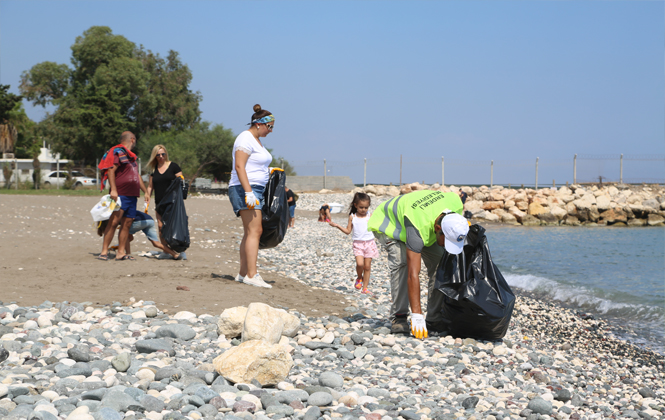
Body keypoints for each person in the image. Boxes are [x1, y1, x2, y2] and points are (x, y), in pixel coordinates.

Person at [368, 190, 469, 339]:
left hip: (423, 221)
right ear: (438, 229)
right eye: (447, 241)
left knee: (442, 264)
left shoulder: (456, 204)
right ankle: (399, 316)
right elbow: (413, 273)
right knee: (402, 263)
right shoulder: (418, 227)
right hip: (390, 224)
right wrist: (417, 314)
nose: (448, 245)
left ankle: (434, 319)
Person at [228, 104, 276, 288]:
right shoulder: (245, 138)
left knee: (250, 232)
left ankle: (242, 274)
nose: (271, 131)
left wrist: (269, 170)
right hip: (245, 188)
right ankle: (252, 274)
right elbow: (239, 166)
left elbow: (254, 164)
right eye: (269, 126)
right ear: (258, 124)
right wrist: (248, 192)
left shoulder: (256, 140)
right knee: (255, 231)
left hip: (254, 188)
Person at [98, 131, 149, 261]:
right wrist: (113, 190)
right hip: (120, 194)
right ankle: (104, 251)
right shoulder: (118, 152)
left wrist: (146, 191)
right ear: (132, 139)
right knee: (114, 222)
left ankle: (121, 252)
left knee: (127, 224)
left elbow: (137, 176)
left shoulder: (131, 158)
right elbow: (111, 170)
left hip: (132, 195)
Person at [328, 192, 378, 295]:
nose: (364, 210)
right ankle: (359, 277)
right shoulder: (353, 217)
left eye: (366, 207)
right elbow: (348, 231)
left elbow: (377, 227)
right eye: (361, 207)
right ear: (355, 205)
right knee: (360, 264)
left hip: (370, 243)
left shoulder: (370, 215)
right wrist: (337, 225)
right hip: (358, 244)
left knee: (367, 267)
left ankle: (365, 288)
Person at [145, 144, 184, 260]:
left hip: (173, 202)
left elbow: (181, 183)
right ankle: (166, 252)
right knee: (161, 227)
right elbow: (150, 186)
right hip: (159, 202)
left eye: (163, 154)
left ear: (166, 154)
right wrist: (147, 194)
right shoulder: (153, 169)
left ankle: (179, 250)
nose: (161, 156)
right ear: (154, 156)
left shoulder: (173, 166)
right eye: (158, 155)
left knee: (174, 227)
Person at [98, 211, 171, 256]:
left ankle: (127, 253)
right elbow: (131, 238)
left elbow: (131, 219)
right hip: (149, 220)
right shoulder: (119, 212)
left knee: (124, 233)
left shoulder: (116, 216)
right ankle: (174, 254)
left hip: (139, 220)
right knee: (156, 243)